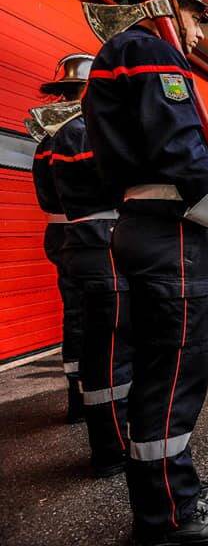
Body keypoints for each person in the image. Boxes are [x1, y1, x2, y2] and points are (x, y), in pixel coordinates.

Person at [84, 0, 208, 544]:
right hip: (169, 231)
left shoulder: (114, 57)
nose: (200, 32)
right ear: (167, 6)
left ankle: (173, 486)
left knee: (157, 374)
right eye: (196, 15)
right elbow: (184, 153)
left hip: (143, 225)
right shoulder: (153, 53)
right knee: (173, 376)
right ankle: (169, 514)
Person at [36, 53, 131, 478]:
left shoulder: (49, 140)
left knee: (83, 330)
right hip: (102, 240)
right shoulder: (87, 130)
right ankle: (112, 444)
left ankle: (80, 403)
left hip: (70, 240)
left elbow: (48, 199)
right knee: (112, 344)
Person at [28, 57, 86, 425]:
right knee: (95, 318)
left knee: (76, 317)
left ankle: (78, 395)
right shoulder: (81, 131)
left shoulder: (49, 138)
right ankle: (92, 397)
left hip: (63, 234)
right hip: (88, 232)